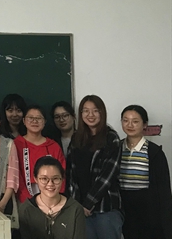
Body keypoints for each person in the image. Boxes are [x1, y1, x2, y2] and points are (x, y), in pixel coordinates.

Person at [67, 95, 122, 239]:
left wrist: (88, 203)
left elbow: (107, 176)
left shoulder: (111, 138)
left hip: (105, 209)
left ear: (102, 113)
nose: (90, 115)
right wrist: (77, 205)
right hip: (81, 209)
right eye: (86, 110)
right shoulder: (76, 138)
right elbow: (71, 173)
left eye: (95, 110)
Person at [119, 105, 172, 239]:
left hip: (148, 211)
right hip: (122, 208)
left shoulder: (154, 152)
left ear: (145, 124)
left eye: (135, 121)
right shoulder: (116, 148)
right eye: (125, 120)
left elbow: (163, 190)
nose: (130, 125)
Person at [19, 156, 86, 239]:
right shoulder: (26, 209)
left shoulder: (75, 209)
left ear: (62, 179)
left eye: (55, 179)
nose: (50, 184)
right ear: (35, 179)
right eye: (44, 179)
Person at [14, 105, 66, 203]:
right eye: (30, 118)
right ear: (24, 121)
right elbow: (15, 174)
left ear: (44, 121)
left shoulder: (53, 146)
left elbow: (62, 173)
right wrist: (27, 200)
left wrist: (56, 197)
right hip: (24, 199)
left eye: (38, 118)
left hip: (52, 197)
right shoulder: (16, 144)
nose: (34, 121)